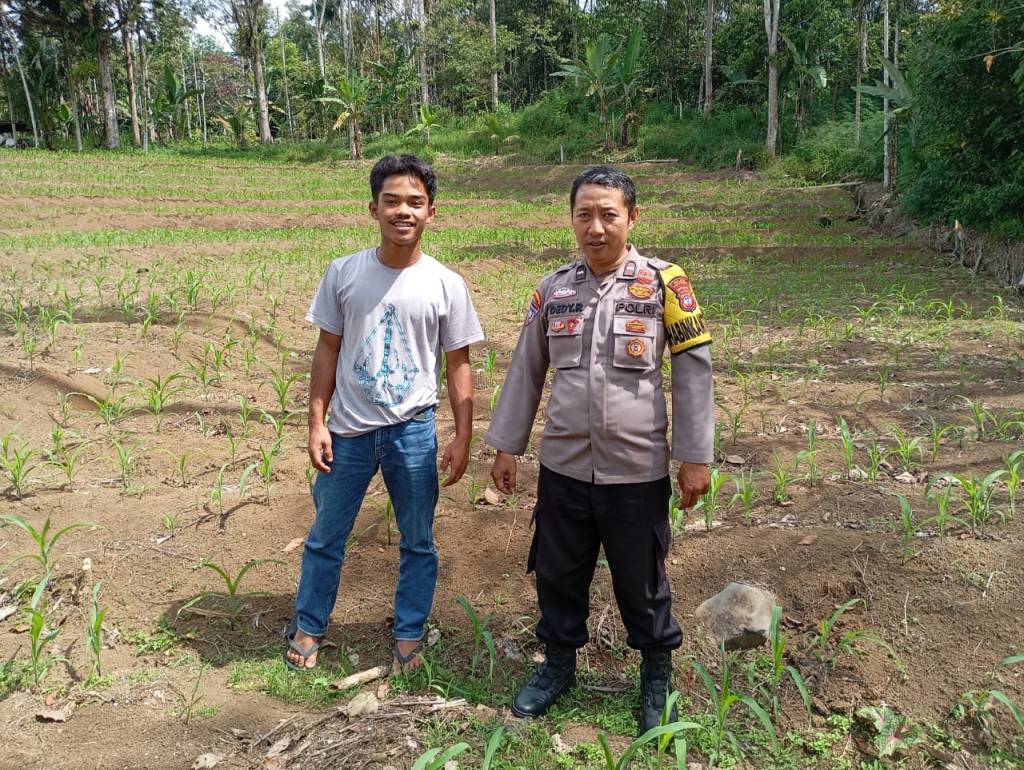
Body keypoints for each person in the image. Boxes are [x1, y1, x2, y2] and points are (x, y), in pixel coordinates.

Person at [486, 165, 714, 733]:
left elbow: (693, 373)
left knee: (642, 580)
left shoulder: (666, 284)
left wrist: (695, 456)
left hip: (636, 472)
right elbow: (525, 372)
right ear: (572, 220)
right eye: (584, 214)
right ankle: (558, 665)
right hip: (563, 469)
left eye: (608, 214)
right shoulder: (554, 289)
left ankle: (655, 674)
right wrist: (507, 447)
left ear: (632, 218)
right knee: (558, 574)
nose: (596, 227)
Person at [286, 154, 484, 674]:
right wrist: (315, 420)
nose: (403, 211)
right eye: (392, 201)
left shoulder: (447, 285)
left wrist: (463, 436)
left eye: (415, 202)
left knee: (417, 540)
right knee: (327, 535)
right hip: (347, 434)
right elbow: (327, 349)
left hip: (413, 432)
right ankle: (309, 625)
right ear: (372, 208)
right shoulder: (344, 273)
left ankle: (409, 634)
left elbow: (458, 363)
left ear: (431, 212)